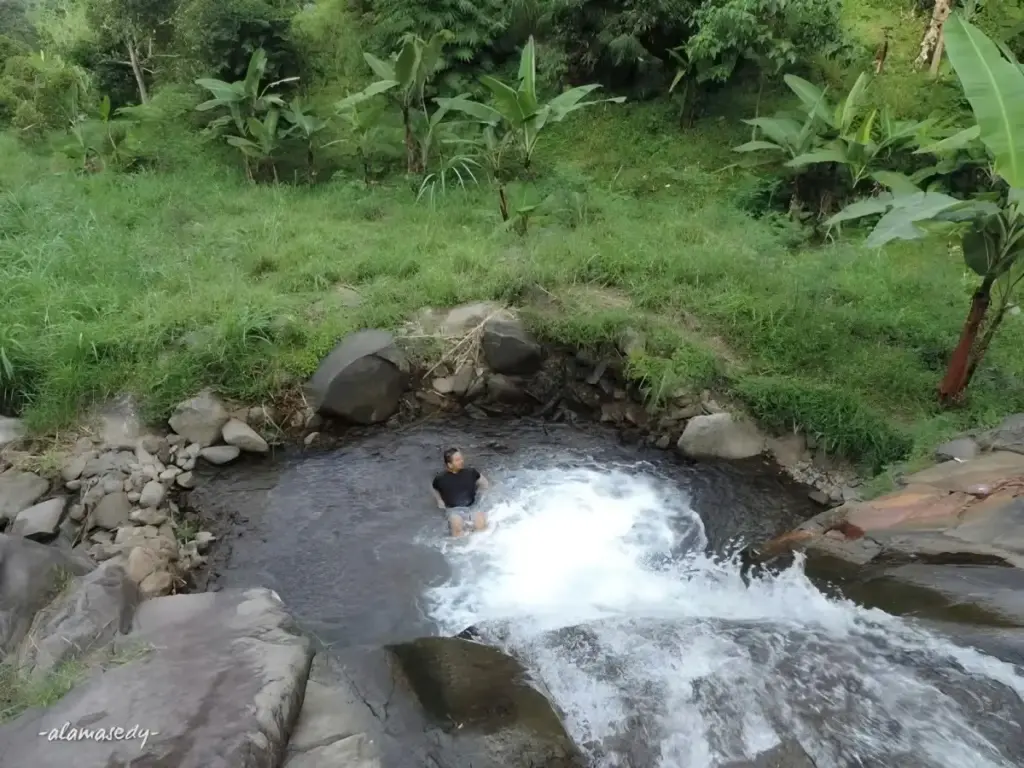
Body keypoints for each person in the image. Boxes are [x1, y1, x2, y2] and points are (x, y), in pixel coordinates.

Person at [431, 447, 489, 537]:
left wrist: (482, 494)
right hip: (454, 510)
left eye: (461, 458)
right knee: (457, 526)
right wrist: (439, 500)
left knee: (481, 525)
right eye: (457, 460)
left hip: (473, 506)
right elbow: (434, 489)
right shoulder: (440, 479)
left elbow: (484, 483)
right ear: (449, 464)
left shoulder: (471, 472)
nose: (461, 461)